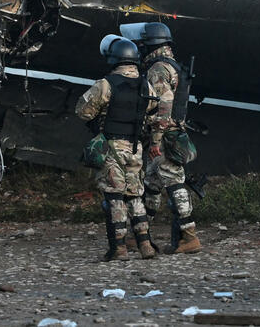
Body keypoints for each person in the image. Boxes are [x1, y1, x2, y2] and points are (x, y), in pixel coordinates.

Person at [75, 34, 157, 262]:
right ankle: (146, 245)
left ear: (114, 59)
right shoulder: (146, 84)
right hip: (135, 147)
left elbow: (83, 111)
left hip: (112, 147)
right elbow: (152, 113)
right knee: (135, 195)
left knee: (114, 197)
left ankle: (118, 248)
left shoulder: (105, 85)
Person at [137, 22, 203, 254]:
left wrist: (155, 141)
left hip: (163, 136)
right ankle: (141, 235)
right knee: (152, 184)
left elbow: (162, 107)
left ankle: (188, 237)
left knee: (175, 183)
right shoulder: (172, 65)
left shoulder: (158, 68)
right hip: (172, 132)